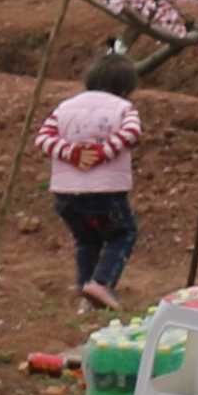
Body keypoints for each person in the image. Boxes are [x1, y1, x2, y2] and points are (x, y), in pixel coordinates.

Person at [37, 61, 146, 306]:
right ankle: (101, 284)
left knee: (87, 240)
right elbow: (132, 133)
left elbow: (43, 137)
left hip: (66, 193)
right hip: (105, 190)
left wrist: (71, 152)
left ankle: (85, 288)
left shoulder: (65, 107)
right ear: (126, 87)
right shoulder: (123, 108)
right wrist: (102, 152)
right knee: (122, 233)